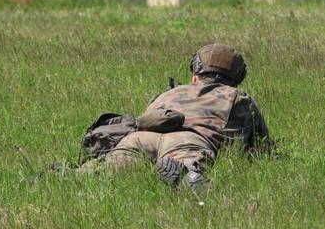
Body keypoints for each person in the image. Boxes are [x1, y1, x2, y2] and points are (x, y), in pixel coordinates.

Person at [79, 44, 272, 189]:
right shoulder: (238, 97)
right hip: (188, 141)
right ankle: (184, 175)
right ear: (236, 79)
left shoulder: (171, 92)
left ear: (195, 75)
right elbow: (262, 148)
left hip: (141, 138)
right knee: (193, 179)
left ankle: (74, 174)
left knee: (108, 171)